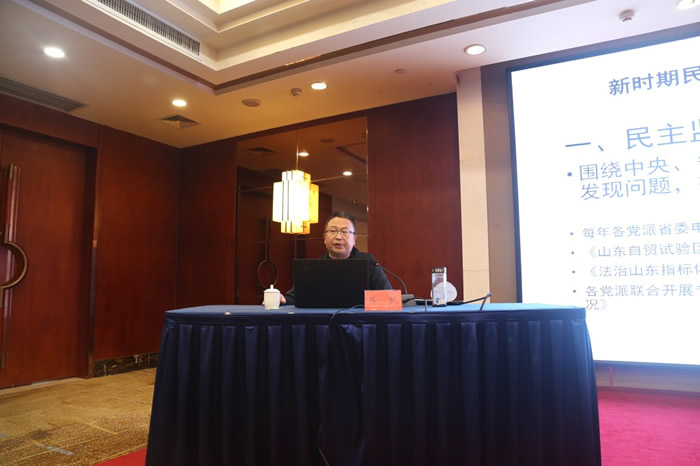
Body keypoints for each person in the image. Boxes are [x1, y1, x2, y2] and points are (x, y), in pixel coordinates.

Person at [280, 211, 391, 305]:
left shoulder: (369, 263)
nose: (338, 237)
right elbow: (293, 298)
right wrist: (280, 298)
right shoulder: (314, 268)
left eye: (344, 232)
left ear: (354, 239)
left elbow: (388, 297)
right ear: (324, 238)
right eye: (333, 231)